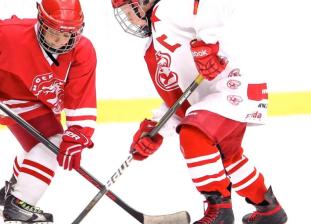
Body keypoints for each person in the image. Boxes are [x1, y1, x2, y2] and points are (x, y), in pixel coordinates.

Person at [111, 0, 287, 224]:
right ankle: (269, 209)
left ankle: (219, 211)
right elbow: (178, 102)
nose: (129, 18)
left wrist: (207, 43)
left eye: (130, 10)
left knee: (193, 134)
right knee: (229, 157)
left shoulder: (169, 7)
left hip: (235, 84)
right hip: (215, 101)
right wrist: (155, 129)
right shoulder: (151, 50)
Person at [0, 0, 97, 223]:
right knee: (53, 143)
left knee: (43, 146)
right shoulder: (14, 34)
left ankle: (5, 196)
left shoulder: (82, 50)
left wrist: (79, 132)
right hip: (10, 97)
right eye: (55, 32)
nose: (61, 40)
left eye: (69, 34)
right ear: (42, 22)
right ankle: (19, 205)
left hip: (43, 105)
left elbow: (81, 95)